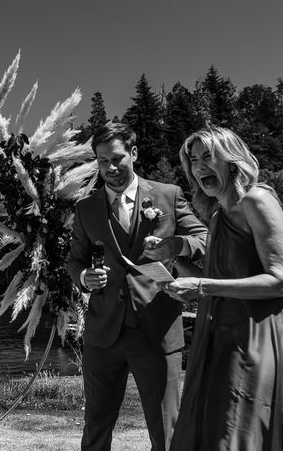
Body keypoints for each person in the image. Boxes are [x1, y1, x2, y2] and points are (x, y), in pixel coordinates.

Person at [66, 122, 207, 451]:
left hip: (157, 331)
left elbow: (205, 238)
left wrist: (177, 245)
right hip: (103, 335)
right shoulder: (85, 208)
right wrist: (84, 278)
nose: (110, 168)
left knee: (166, 431)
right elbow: (75, 261)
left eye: (117, 158)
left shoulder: (168, 195)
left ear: (134, 153)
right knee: (96, 428)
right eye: (102, 161)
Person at [166, 126, 283, 451]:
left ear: (231, 161)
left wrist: (201, 285)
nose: (200, 166)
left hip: (252, 342)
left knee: (235, 437)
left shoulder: (257, 201)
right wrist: (169, 260)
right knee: (211, 433)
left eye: (208, 157)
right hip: (218, 342)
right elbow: (215, 278)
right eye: (193, 160)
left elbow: (279, 279)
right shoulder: (218, 216)